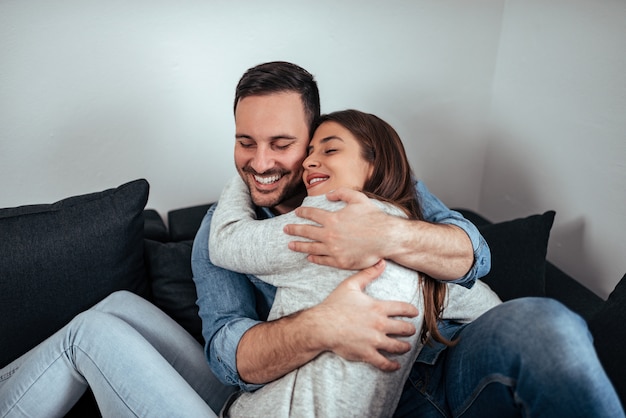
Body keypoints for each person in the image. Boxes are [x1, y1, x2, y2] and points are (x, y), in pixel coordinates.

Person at [192, 61, 624, 417]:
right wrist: (321, 325)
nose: (260, 162)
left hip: (450, 360)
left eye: (281, 143)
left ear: (311, 139)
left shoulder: (373, 184)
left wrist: (386, 234)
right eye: (245, 143)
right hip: (359, 393)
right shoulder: (224, 229)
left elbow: (474, 254)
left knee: (548, 324)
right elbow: (228, 357)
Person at [207, 109, 502, 417]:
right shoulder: (420, 250)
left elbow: (227, 240)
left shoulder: (324, 215)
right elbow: (487, 307)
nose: (309, 161)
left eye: (330, 149)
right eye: (309, 152)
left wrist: (249, 175)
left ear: (374, 163)